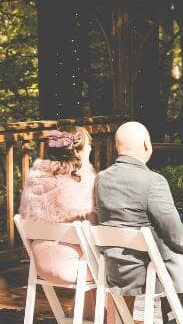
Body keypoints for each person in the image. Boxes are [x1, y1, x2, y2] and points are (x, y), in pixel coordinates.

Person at [96, 122, 183, 324]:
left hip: (117, 270)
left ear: (117, 147)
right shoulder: (153, 181)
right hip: (148, 273)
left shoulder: (101, 179)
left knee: (172, 253)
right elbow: (176, 234)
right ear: (147, 145)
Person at [19, 127, 116, 323]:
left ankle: (85, 317)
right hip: (74, 268)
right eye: (88, 146)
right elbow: (95, 228)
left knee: (90, 255)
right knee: (114, 261)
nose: (90, 150)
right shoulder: (85, 184)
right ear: (78, 151)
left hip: (41, 266)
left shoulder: (35, 181)